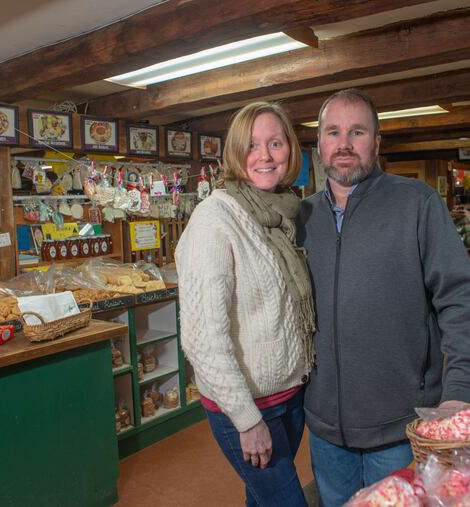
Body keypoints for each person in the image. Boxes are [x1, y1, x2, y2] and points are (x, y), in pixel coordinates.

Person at [297, 89, 470, 506]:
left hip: (401, 427)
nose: (344, 143)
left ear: (377, 142)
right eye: (333, 132)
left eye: (357, 132)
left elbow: (459, 298)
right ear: (319, 144)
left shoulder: (417, 203)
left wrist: (461, 387)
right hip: (326, 431)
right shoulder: (301, 217)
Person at [176, 102, 315, 507]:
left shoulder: (286, 213)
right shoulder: (214, 220)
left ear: (290, 151)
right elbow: (203, 339)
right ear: (235, 153)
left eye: (275, 143)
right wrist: (246, 419)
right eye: (252, 145)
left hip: (290, 397)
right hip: (247, 408)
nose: (265, 156)